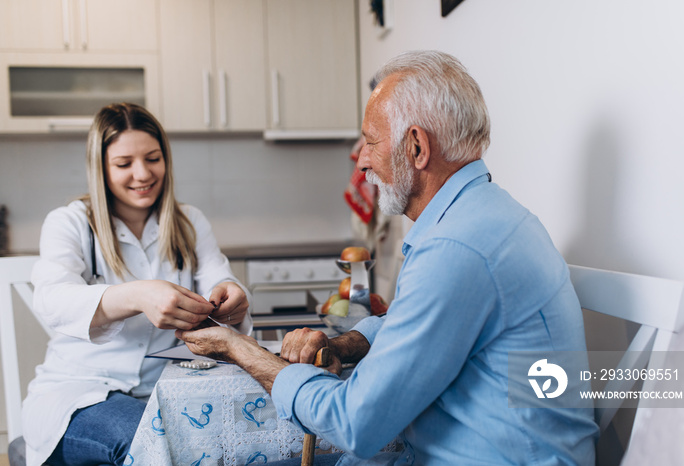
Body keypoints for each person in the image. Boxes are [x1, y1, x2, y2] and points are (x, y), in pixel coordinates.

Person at [177, 51, 599, 465]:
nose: (361, 161)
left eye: (370, 142)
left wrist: (240, 348)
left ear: (416, 147)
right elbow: (412, 323)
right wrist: (344, 343)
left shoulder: (455, 248)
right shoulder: (481, 215)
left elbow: (354, 425)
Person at [22, 102, 252, 466]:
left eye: (153, 158)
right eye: (124, 164)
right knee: (151, 440)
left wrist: (232, 295)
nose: (142, 174)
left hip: (166, 392)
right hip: (80, 395)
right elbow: (51, 300)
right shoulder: (69, 223)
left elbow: (218, 276)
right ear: (101, 168)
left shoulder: (189, 222)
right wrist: (138, 295)